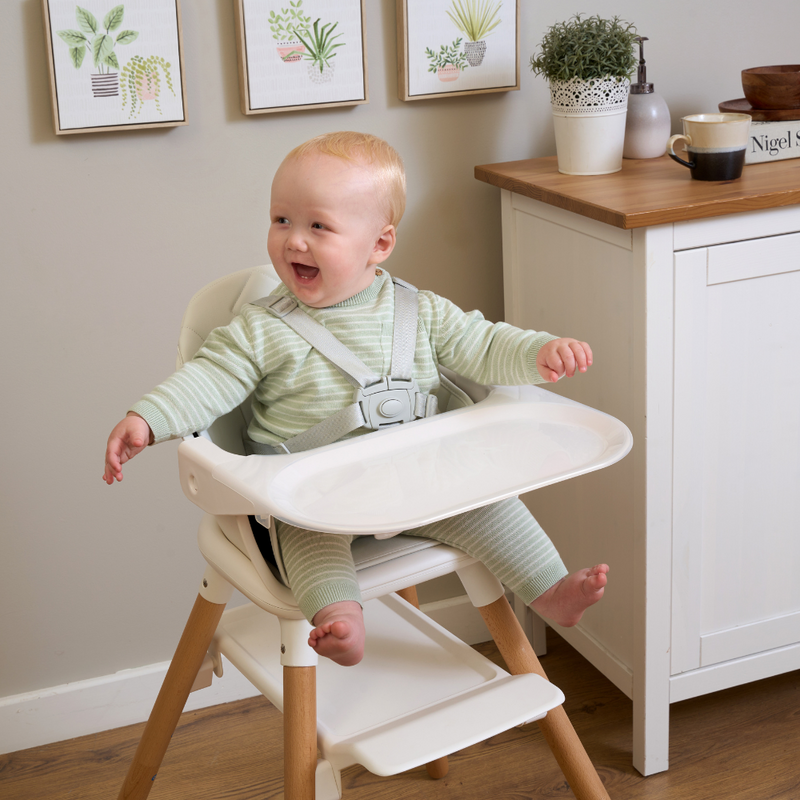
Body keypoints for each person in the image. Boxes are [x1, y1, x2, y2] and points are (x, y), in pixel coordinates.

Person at [104, 131, 607, 667]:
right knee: (304, 545)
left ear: (380, 244)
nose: (294, 240)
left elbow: (483, 345)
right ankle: (342, 620)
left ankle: (550, 590)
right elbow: (210, 378)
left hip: (420, 480)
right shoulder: (260, 328)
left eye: (318, 226)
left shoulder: (421, 311)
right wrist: (149, 419)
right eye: (282, 220)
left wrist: (539, 353)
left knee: (493, 508)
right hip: (315, 496)